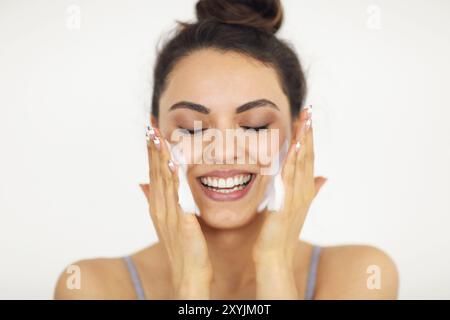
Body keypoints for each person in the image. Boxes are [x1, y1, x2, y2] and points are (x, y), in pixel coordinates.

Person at [54, 0, 398, 300]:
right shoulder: (93, 288)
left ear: (296, 136)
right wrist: (190, 282)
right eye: (191, 127)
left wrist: (274, 266)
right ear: (156, 136)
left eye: (255, 125)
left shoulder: (360, 276)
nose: (222, 151)